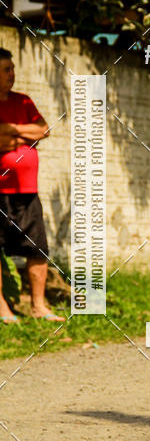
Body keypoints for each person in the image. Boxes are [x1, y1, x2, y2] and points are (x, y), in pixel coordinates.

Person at [0, 48, 64, 323]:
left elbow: (44, 130)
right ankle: (3, 308)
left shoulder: (23, 101)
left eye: (13, 68)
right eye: (6, 70)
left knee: (37, 250)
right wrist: (25, 133)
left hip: (27, 190)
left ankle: (39, 305)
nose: (12, 74)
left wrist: (11, 130)